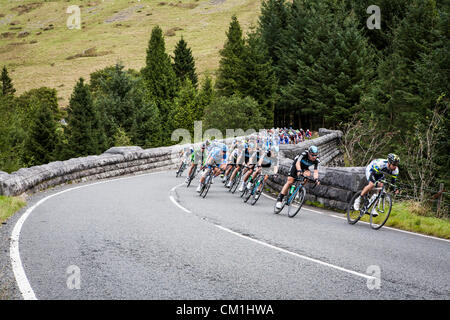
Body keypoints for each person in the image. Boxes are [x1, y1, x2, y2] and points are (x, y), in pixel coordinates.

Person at [275, 145, 321, 210]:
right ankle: (280, 199)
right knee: (290, 181)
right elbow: (297, 163)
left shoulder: (316, 160)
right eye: (312, 155)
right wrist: (299, 171)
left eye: (316, 155)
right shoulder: (303, 154)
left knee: (307, 175)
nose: (314, 157)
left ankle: (299, 189)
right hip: (296, 165)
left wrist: (316, 179)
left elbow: (316, 171)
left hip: (304, 168)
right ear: (309, 153)